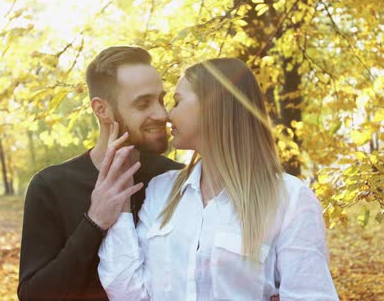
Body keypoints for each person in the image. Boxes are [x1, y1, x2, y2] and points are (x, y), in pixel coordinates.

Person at [98, 58, 339, 300]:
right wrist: (121, 204)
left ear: (213, 105)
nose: (167, 115)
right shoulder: (162, 191)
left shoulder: (290, 199)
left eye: (177, 102)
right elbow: (127, 291)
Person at [18, 46, 183, 301]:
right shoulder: (51, 186)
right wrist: (94, 222)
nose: (162, 114)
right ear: (102, 109)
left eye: (161, 99)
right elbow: (34, 295)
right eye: (143, 103)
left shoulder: (178, 180)